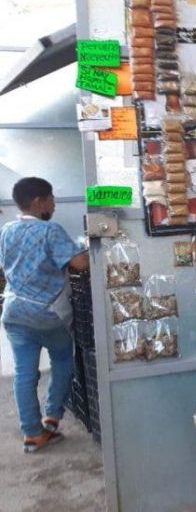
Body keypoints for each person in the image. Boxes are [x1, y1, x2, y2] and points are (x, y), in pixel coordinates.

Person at [1, 178, 89, 452]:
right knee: (63, 360)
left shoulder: (6, 230)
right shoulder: (50, 230)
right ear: (39, 202)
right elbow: (80, 263)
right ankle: (52, 416)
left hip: (14, 311)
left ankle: (33, 434)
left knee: (24, 373)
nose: (54, 204)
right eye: (51, 199)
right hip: (46, 313)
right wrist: (89, 248)